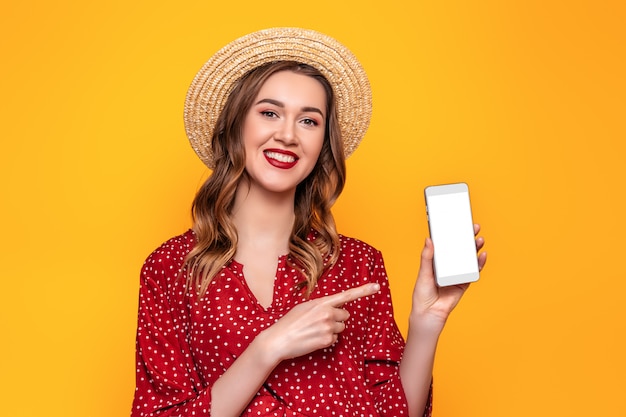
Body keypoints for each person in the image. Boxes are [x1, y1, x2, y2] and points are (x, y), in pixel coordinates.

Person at [131, 27, 487, 417]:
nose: (287, 135)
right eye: (269, 113)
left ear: (322, 145)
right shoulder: (170, 268)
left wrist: (427, 320)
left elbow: (394, 411)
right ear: (235, 125)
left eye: (309, 121)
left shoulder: (358, 264)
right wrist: (267, 348)